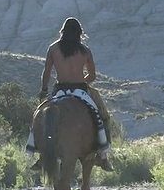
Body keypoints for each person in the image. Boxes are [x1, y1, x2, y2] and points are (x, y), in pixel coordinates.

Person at [25, 17, 114, 172]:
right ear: (79, 33)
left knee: (39, 115)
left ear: (62, 32)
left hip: (60, 89)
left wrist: (44, 90)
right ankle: (103, 154)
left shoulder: (53, 49)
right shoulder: (85, 51)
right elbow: (92, 76)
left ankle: (38, 151)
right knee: (102, 116)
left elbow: (47, 72)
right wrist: (82, 80)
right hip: (81, 88)